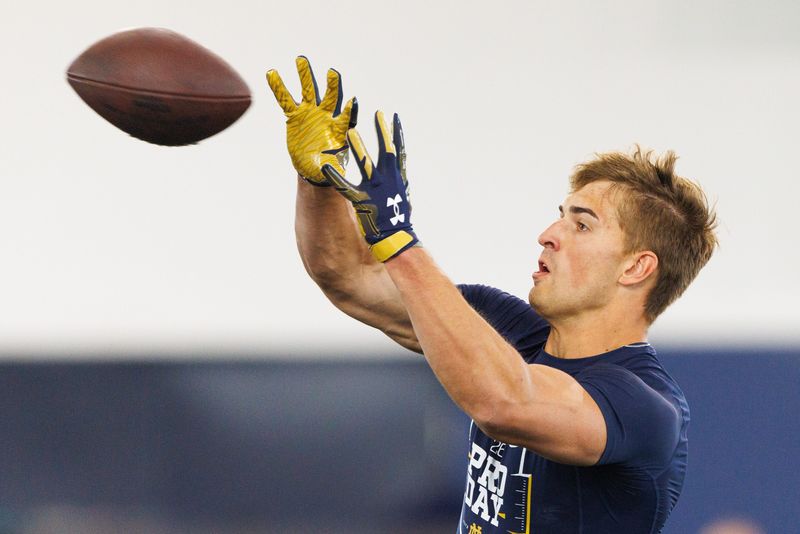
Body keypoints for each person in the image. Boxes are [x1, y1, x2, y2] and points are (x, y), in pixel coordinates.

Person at [266, 57, 718, 534]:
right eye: (560, 216)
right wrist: (319, 182)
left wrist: (399, 241)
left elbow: (506, 404)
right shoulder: (508, 327)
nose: (548, 234)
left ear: (636, 267)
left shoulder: (643, 406)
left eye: (582, 225)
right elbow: (348, 278)